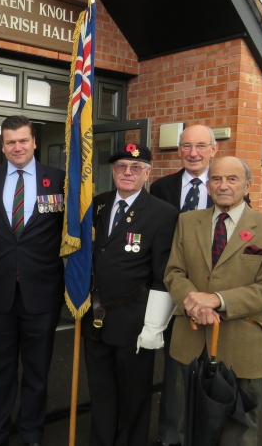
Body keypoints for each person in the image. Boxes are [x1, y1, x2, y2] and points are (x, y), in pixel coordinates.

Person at [165, 156, 262, 446]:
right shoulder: (186, 222)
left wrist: (217, 300)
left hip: (243, 347)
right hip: (192, 341)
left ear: (247, 184)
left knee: (238, 432)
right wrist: (194, 303)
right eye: (216, 179)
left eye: (232, 179)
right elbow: (174, 272)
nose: (223, 185)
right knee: (191, 426)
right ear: (208, 185)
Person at [0, 115, 65, 446]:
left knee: (37, 371)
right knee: (0, 370)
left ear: (34, 142)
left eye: (23, 140)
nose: (17, 147)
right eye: (10, 142)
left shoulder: (58, 180)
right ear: (2, 145)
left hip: (41, 292)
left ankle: (31, 431)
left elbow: (63, 231)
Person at [83, 144, 178, 446]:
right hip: (95, 315)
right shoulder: (96, 205)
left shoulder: (163, 214)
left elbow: (163, 275)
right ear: (112, 171)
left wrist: (154, 326)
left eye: (135, 167)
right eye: (121, 166)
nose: (127, 172)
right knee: (100, 391)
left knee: (134, 395)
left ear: (148, 173)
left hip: (135, 320)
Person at [149, 124, 218, 446]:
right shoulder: (162, 187)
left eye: (201, 146)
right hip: (169, 288)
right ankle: (171, 437)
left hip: (211, 294)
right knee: (174, 368)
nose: (193, 153)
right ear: (179, 150)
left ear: (213, 150)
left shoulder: (224, 186)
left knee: (208, 367)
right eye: (187, 146)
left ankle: (203, 433)